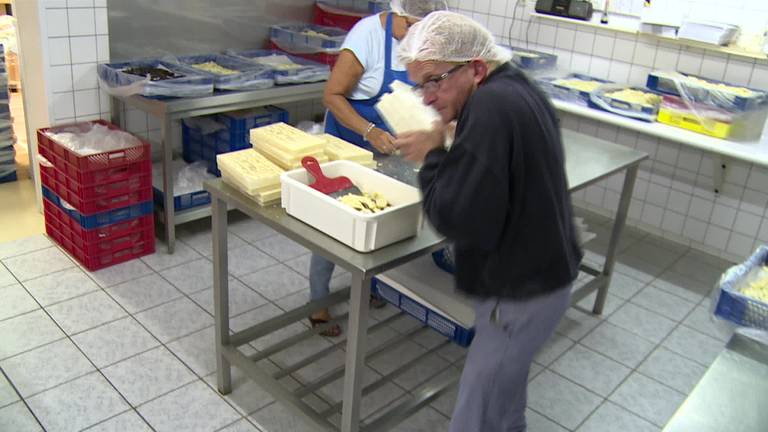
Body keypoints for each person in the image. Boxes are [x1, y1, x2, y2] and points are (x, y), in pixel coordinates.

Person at [393, 12, 583, 432]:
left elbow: (456, 216)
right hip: (543, 273)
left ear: (476, 68)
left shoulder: (491, 109)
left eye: (434, 81)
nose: (426, 98)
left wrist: (432, 155)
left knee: (476, 416)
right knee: (504, 399)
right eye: (419, 84)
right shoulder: (513, 85)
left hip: (519, 293)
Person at [309, 0, 449, 337]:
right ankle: (317, 304)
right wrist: (369, 131)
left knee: (380, 219)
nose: (422, 40)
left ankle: (372, 285)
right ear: (401, 14)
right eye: (417, 29)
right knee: (332, 225)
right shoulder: (367, 36)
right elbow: (332, 96)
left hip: (391, 148)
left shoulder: (425, 44)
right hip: (349, 144)